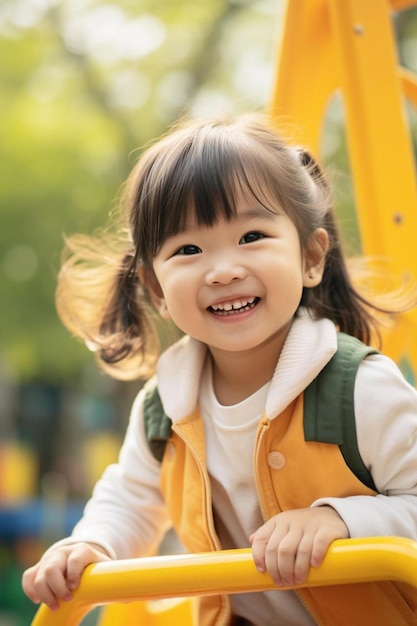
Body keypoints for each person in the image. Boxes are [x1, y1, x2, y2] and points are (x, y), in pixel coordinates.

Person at [22, 113, 417, 626]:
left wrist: (341, 520)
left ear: (311, 257)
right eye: (188, 249)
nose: (224, 269)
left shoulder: (358, 388)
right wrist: (90, 544)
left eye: (252, 235)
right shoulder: (164, 406)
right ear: (157, 288)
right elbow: (131, 499)